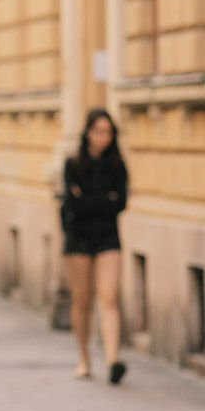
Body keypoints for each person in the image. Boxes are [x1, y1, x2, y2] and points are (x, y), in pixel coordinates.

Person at [60, 107, 129, 384]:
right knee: (82, 300)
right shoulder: (73, 164)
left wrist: (88, 200)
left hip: (108, 238)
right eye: (99, 131)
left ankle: (113, 360)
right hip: (78, 239)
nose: (104, 138)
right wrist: (103, 201)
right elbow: (72, 205)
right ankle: (84, 358)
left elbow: (120, 203)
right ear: (88, 133)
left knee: (109, 296)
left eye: (109, 132)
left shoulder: (117, 165)